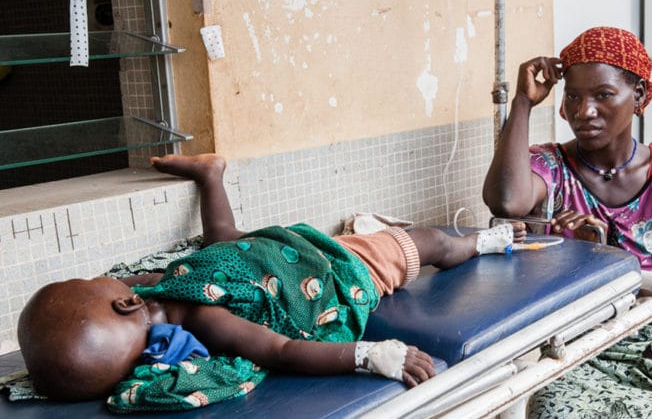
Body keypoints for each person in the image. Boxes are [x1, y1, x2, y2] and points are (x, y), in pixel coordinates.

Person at [17, 153, 526, 411]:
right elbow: (281, 349)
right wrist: (373, 355)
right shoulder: (202, 317)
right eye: (91, 281)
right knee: (429, 241)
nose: (107, 277)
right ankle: (485, 242)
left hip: (266, 256)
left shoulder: (147, 292)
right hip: (340, 270)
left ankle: (210, 175)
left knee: (219, 240)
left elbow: (208, 262)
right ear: (125, 305)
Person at [483, 26, 652, 305]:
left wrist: (600, 254)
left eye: (603, 95)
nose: (583, 111)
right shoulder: (552, 167)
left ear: (638, 95)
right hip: (572, 336)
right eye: (574, 96)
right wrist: (523, 102)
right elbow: (506, 202)